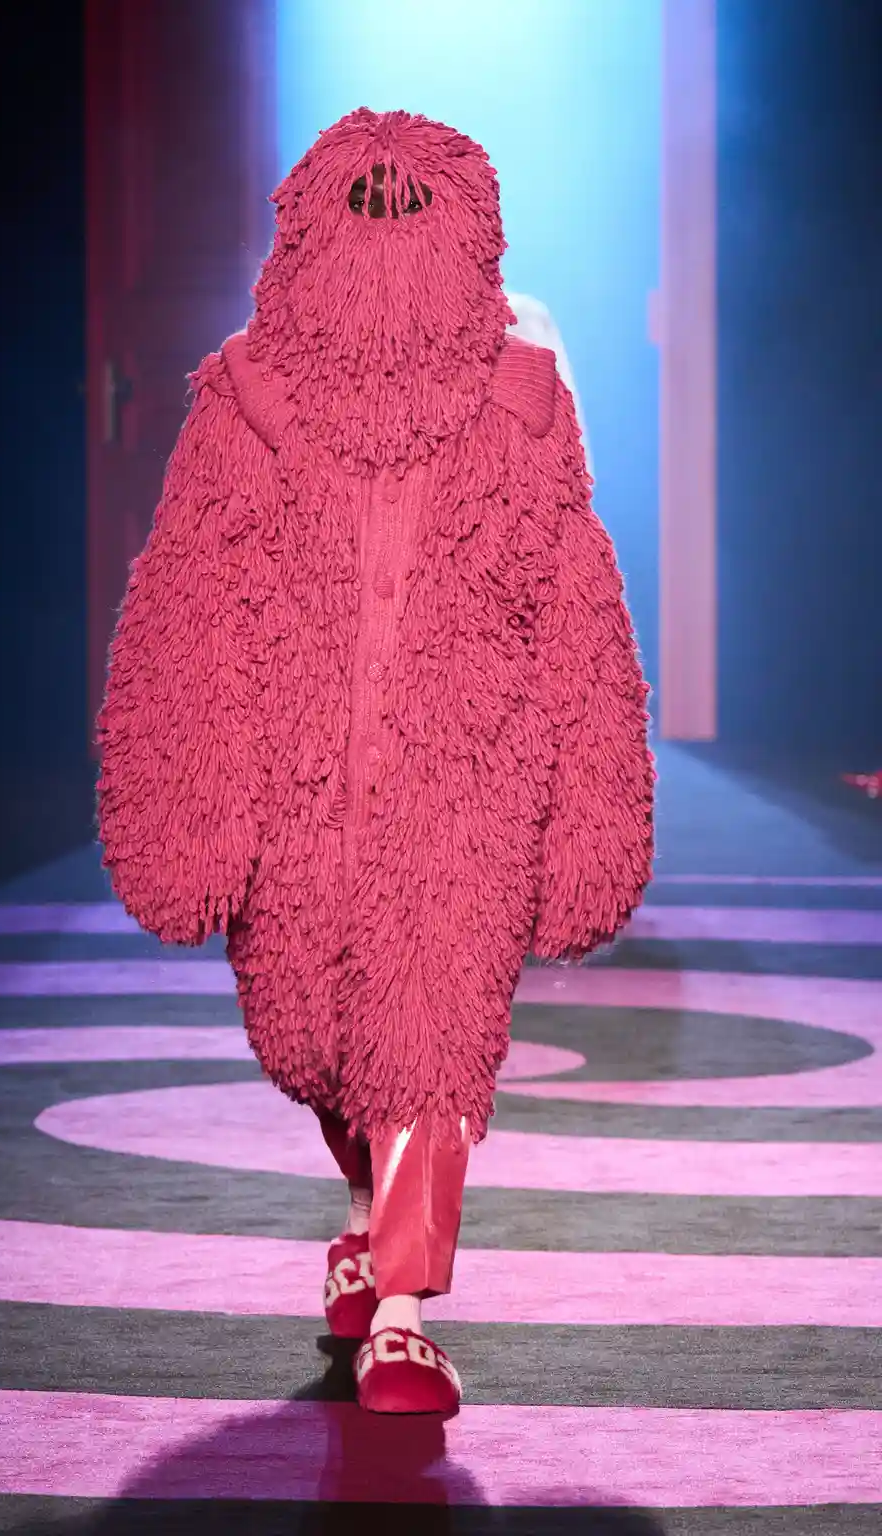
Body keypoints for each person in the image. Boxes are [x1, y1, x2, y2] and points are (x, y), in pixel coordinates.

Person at [97, 109, 654, 1415]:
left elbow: (574, 607)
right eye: (367, 206)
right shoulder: (246, 399)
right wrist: (188, 792)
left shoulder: (522, 404)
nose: (390, 228)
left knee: (429, 1038)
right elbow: (187, 599)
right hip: (298, 787)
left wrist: (591, 805)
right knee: (313, 1041)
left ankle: (401, 1310)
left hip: (463, 788)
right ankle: (364, 1215)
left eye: (417, 210)